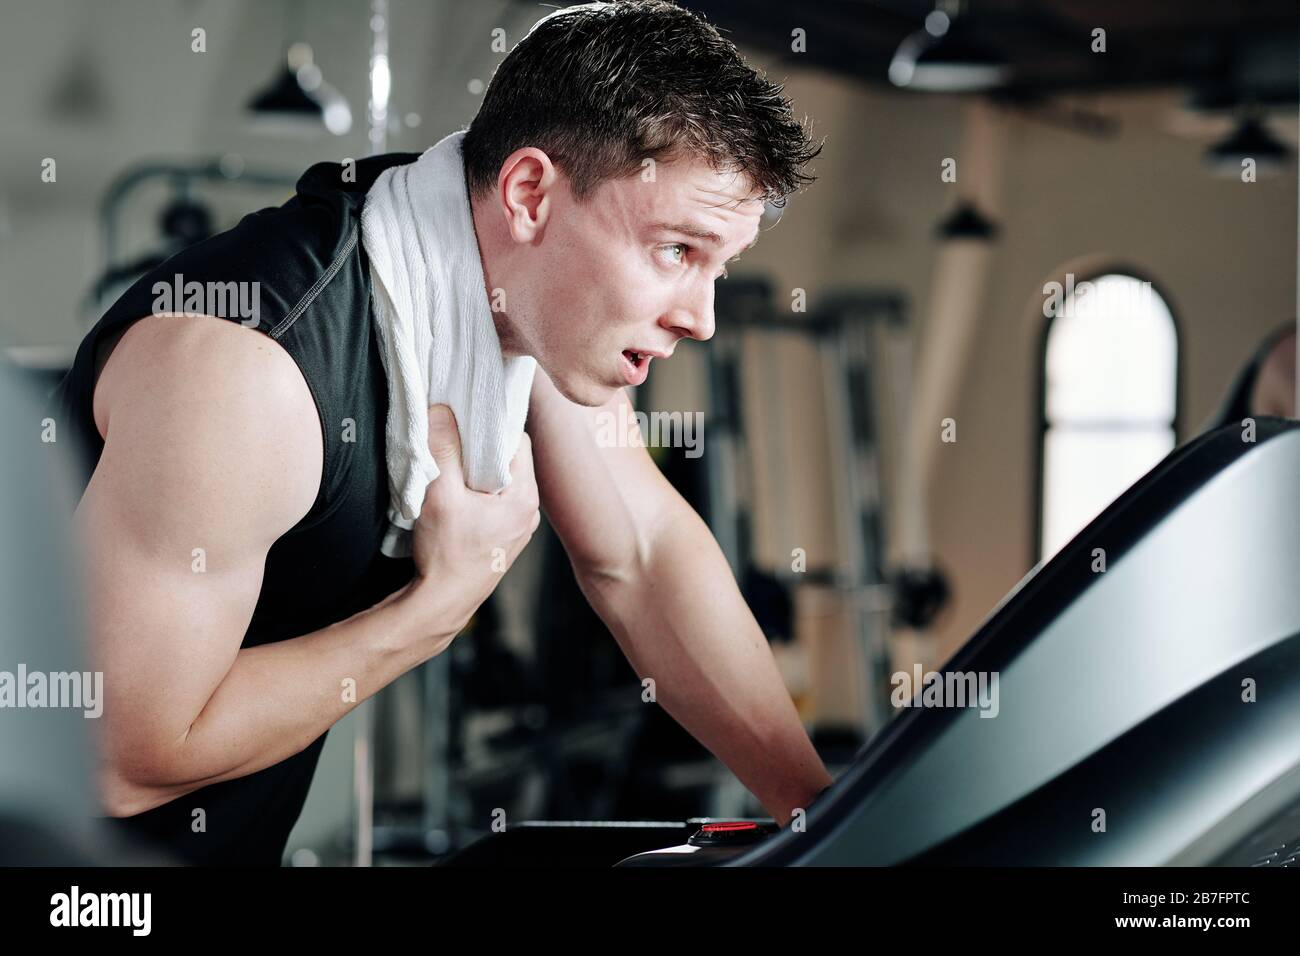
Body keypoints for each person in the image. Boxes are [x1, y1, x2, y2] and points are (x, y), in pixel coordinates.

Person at [46, 0, 832, 865]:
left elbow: (639, 554)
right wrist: (435, 609)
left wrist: (831, 821)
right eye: (677, 251)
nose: (703, 319)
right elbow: (114, 759)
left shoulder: (524, 305)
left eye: (719, 267)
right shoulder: (244, 374)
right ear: (529, 194)